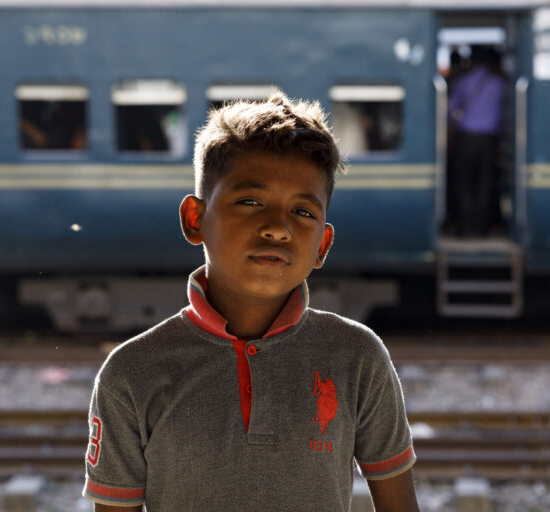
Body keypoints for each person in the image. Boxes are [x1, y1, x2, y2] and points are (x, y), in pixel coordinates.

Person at [82, 91, 420, 511]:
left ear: (323, 246)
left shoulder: (357, 357)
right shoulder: (131, 373)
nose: (278, 228)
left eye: (303, 212)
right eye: (250, 202)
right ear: (194, 219)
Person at [447, 46, 506, 237]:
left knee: (464, 184)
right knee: (485, 184)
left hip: (466, 138)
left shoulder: (462, 81)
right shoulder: (500, 83)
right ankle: (482, 228)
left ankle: (465, 228)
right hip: (489, 140)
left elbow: (450, 111)